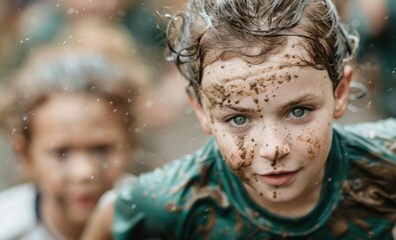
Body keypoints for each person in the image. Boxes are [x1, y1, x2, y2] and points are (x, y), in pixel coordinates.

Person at [82, 0, 396, 239]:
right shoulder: (169, 204)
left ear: (339, 92)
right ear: (202, 111)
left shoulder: (387, 165)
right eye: (237, 119)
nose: (273, 148)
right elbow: (112, 213)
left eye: (298, 111)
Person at [0, 47, 138, 239]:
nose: (84, 172)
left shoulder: (162, 224)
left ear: (129, 144)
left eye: (101, 149)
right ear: (24, 154)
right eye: (61, 153)